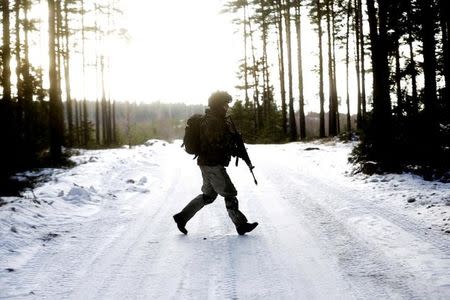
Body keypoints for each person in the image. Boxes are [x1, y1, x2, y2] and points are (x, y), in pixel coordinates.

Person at [173, 91, 258, 235]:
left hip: (206, 163)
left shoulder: (216, 120)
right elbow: (214, 144)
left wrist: (235, 145)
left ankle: (182, 217)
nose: (227, 107)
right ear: (218, 105)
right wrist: (232, 143)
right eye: (225, 104)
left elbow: (220, 143)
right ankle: (241, 225)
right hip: (212, 164)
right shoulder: (213, 122)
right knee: (229, 192)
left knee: (208, 196)